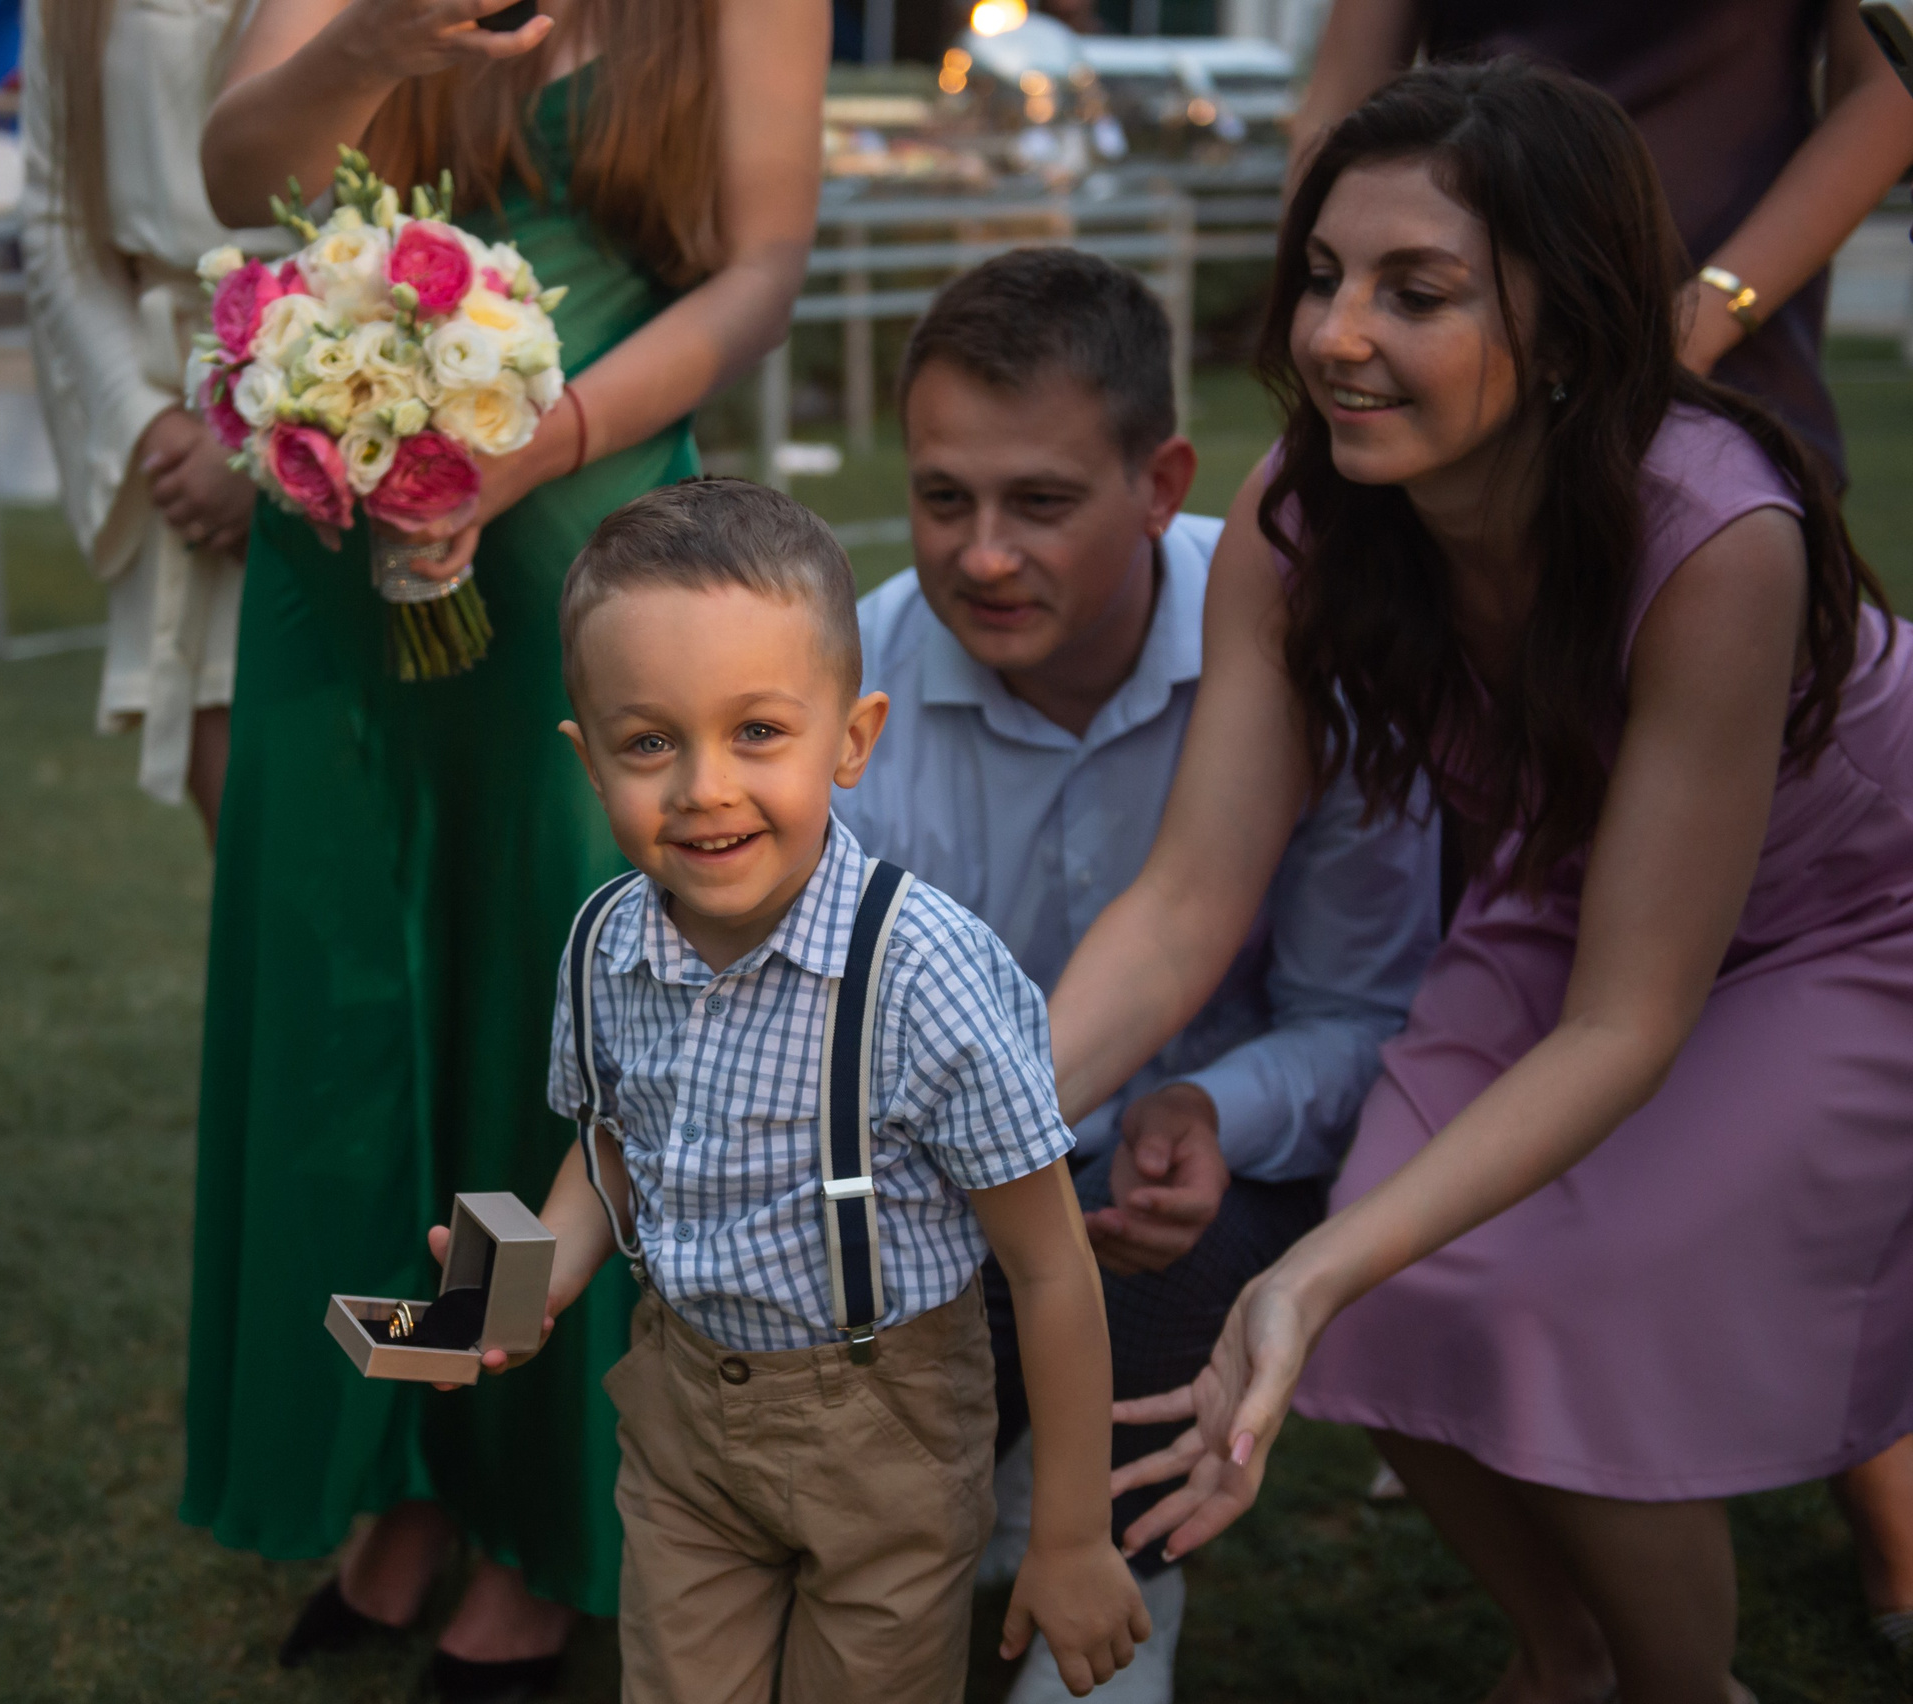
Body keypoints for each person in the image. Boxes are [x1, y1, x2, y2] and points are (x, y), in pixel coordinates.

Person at [1038, 62, 1913, 1703]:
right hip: (1570, 873)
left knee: (1562, 1296)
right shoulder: (1299, 517)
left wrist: (1306, 1262)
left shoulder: (1720, 535)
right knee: (1390, 1281)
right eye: (1323, 275)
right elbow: (1184, 900)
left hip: (1851, 916)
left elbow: (1627, 1022)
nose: (1334, 334)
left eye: (1414, 291)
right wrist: (972, 1120)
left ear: (1569, 330)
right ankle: (1562, 1651)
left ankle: (1678, 1684)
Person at [181, 1, 826, 1694]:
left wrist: (546, 442)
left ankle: (536, 1517)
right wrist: (370, 43)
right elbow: (243, 168)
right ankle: (399, 1466)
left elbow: (758, 272)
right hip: (341, 541)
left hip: (578, 536)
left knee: (532, 1028)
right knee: (358, 1015)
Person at [833, 247, 1438, 1702]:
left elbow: (1369, 1020)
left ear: (1162, 484)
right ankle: (911, 1539)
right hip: (925, 1177)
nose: (983, 554)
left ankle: (1114, 1620)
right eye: (942, 498)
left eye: (1040, 502)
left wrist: (1224, 1112)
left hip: (1199, 1187)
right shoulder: (846, 678)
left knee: (1161, 1280)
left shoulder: (1313, 655)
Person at [508, 475, 1148, 1702]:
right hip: (684, 1416)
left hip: (887, 1431)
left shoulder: (924, 977)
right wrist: (520, 1280)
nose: (704, 787)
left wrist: (1068, 1536)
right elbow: (609, 1154)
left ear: (850, 739)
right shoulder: (604, 945)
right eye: (651, 742)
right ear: (589, 762)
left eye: (757, 731)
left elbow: (1052, 1266)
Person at [1292, 0, 1913, 484]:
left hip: (1719, 354)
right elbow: (1342, 101)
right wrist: (1339, 300)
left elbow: (1887, 92)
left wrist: (1700, 322)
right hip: (1472, 348)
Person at [20, 0, 260, 825]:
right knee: (237, 822)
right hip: (171, 401)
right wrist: (151, 425)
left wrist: (270, 455)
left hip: (342, 407)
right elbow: (56, 224)